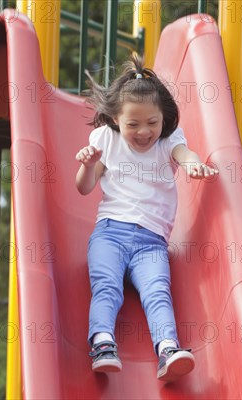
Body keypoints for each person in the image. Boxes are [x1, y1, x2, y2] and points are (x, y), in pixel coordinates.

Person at [75, 55, 218, 382]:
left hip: (151, 242)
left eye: (152, 123)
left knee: (157, 291)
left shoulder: (169, 140)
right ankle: (102, 343)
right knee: (107, 287)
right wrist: (87, 164)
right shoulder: (105, 141)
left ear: (163, 118)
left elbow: (185, 154)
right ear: (115, 119)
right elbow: (84, 188)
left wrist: (193, 164)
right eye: (133, 124)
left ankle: (168, 349)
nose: (144, 132)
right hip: (109, 234)